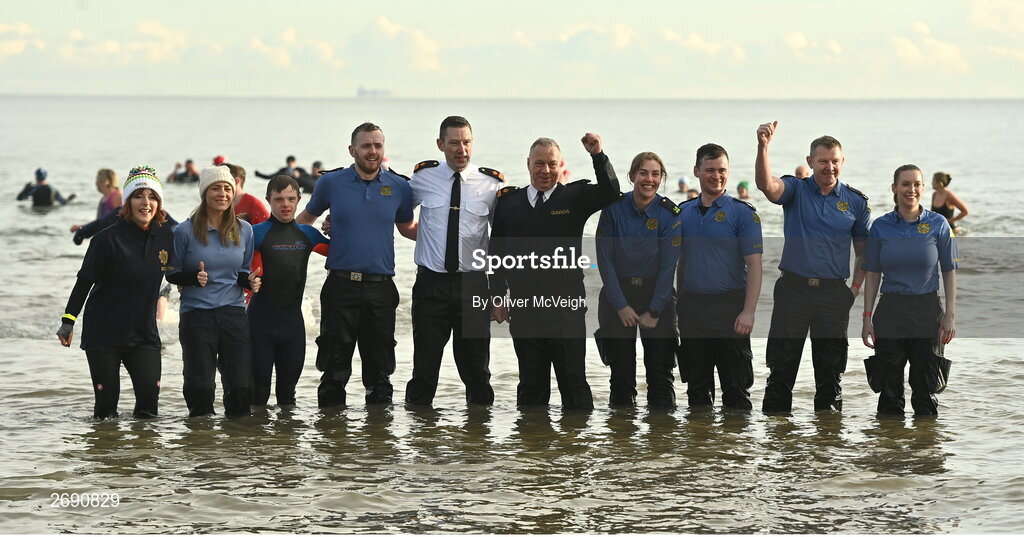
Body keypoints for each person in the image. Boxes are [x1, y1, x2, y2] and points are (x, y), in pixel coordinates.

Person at [488, 133, 620, 410]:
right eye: (539, 163)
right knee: (531, 387)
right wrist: (498, 296)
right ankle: (532, 448)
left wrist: (598, 155)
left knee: (573, 384)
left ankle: (574, 449)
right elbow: (496, 253)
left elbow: (610, 192)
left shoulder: (574, 196)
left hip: (565, 311)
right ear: (528, 164)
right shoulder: (509, 203)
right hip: (525, 310)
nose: (545, 171)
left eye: (552, 164)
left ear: (561, 166)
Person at [296, 122, 414, 408]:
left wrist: (458, 237)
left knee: (381, 375)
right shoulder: (330, 183)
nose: (372, 151)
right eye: (366, 146)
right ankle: (334, 445)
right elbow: (303, 224)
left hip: (381, 289)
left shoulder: (399, 186)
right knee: (333, 373)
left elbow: (408, 228)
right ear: (352, 150)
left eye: (377, 145)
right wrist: (267, 245)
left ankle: (378, 446)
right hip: (340, 286)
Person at [755, 121, 870, 413]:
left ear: (842, 162)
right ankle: (778, 443)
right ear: (810, 162)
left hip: (833, 295)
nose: (828, 167)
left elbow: (865, 255)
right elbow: (767, 186)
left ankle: (828, 446)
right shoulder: (796, 190)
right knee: (781, 371)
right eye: (822, 161)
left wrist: (853, 291)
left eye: (834, 162)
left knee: (830, 378)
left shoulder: (855, 202)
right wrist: (764, 147)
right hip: (793, 291)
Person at [402, 116, 503, 408]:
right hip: (431, 285)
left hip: (472, 285)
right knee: (424, 369)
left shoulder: (492, 184)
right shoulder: (422, 178)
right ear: (441, 145)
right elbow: (397, 216)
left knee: (477, 372)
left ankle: (478, 442)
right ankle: (421, 442)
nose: (462, 149)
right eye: (455, 143)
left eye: (467, 142)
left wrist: (500, 293)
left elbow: (501, 240)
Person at [56, 165, 172, 419]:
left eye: (152, 197)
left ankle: (144, 457)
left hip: (143, 335)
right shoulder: (106, 240)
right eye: (139, 196)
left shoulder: (166, 237)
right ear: (127, 202)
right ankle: (106, 457)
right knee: (106, 412)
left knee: (148, 410)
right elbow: (84, 282)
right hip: (104, 336)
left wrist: (197, 279)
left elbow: (177, 273)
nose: (146, 202)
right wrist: (68, 321)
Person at [861, 164, 958, 416]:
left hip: (927, 311)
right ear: (894, 188)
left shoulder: (939, 224)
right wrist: (866, 317)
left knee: (925, 391)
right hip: (890, 310)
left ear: (923, 188)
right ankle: (889, 449)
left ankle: (924, 450)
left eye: (916, 184)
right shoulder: (880, 227)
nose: (911, 189)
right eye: (905, 184)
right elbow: (872, 274)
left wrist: (949, 314)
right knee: (889, 392)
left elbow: (949, 271)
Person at [166, 165, 261, 417]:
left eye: (227, 188)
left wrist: (249, 282)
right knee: (200, 387)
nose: (222, 193)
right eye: (216, 188)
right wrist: (193, 278)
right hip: (197, 316)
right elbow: (171, 272)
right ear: (204, 193)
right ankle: (200, 445)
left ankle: (237, 446)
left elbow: (241, 271)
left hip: (233, 314)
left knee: (240, 387)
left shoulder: (244, 230)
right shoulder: (184, 231)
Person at [677, 144, 763, 410]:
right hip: (692, 309)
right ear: (697, 172)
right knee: (696, 392)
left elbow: (756, 267)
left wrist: (748, 312)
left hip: (730, 308)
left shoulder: (743, 213)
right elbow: (679, 262)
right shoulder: (682, 212)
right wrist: (679, 307)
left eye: (722, 170)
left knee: (736, 390)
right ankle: (701, 451)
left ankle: (733, 450)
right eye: (710, 170)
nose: (717, 176)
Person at [594, 151, 680, 407]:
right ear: (632, 176)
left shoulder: (669, 213)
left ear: (661, 178)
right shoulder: (612, 210)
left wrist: (654, 310)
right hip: (617, 295)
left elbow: (668, 267)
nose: (649, 179)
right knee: (621, 377)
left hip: (658, 298)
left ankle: (661, 441)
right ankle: (623, 442)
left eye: (655, 174)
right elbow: (605, 261)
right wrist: (620, 305)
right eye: (643, 173)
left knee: (661, 376)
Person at [249, 175, 329, 406]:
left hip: (293, 327)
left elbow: (342, 254)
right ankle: (255, 442)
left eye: (291, 199)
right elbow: (231, 264)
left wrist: (338, 225)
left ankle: (287, 442)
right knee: (258, 395)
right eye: (279, 199)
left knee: (288, 397)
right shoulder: (255, 233)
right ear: (268, 200)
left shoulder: (308, 235)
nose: (285, 204)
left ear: (299, 200)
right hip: (259, 325)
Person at [70, 169, 122, 234]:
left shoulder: (117, 196)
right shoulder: (103, 199)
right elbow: (97, 222)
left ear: (105, 182)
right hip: (104, 236)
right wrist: (81, 227)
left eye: (98, 180)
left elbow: (123, 219)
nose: (96, 183)